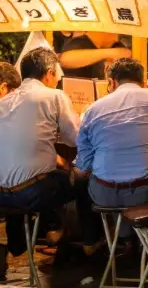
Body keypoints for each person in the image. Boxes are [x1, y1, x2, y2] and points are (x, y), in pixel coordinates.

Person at [0, 48, 81, 257]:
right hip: (33, 193)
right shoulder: (54, 96)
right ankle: (79, 241)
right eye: (57, 75)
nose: (58, 80)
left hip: (3, 196)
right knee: (82, 179)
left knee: (49, 171)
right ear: (49, 73)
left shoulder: (4, 101)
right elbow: (76, 138)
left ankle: (22, 242)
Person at [77, 58, 148, 209]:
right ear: (143, 83)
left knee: (85, 180)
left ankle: (102, 225)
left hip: (106, 194)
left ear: (111, 83)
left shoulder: (93, 109)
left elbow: (84, 162)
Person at [59, 32, 131, 80]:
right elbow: (64, 60)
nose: (116, 38)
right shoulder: (78, 43)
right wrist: (109, 53)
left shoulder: (116, 46)